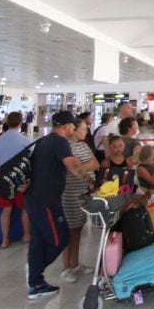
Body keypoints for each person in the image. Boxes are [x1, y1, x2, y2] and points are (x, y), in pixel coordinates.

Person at [25, 111, 90, 299]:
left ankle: (35, 283)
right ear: (66, 125)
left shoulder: (44, 141)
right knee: (60, 238)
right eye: (72, 125)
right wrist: (90, 182)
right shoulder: (60, 141)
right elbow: (72, 165)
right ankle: (36, 271)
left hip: (35, 198)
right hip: (46, 200)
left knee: (37, 242)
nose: (74, 128)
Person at [60, 117, 99, 283]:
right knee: (70, 231)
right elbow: (70, 167)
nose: (86, 131)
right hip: (69, 193)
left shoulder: (82, 145)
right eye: (83, 128)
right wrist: (81, 167)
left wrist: (80, 167)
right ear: (73, 129)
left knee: (78, 230)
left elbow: (95, 163)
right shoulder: (64, 147)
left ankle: (75, 264)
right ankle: (66, 268)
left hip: (83, 193)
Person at [0, 111, 32, 248]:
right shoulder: (25, 140)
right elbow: (30, 160)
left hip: (1, 178)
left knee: (6, 209)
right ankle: (26, 235)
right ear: (21, 123)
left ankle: (4, 240)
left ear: (7, 123)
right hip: (19, 178)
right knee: (25, 208)